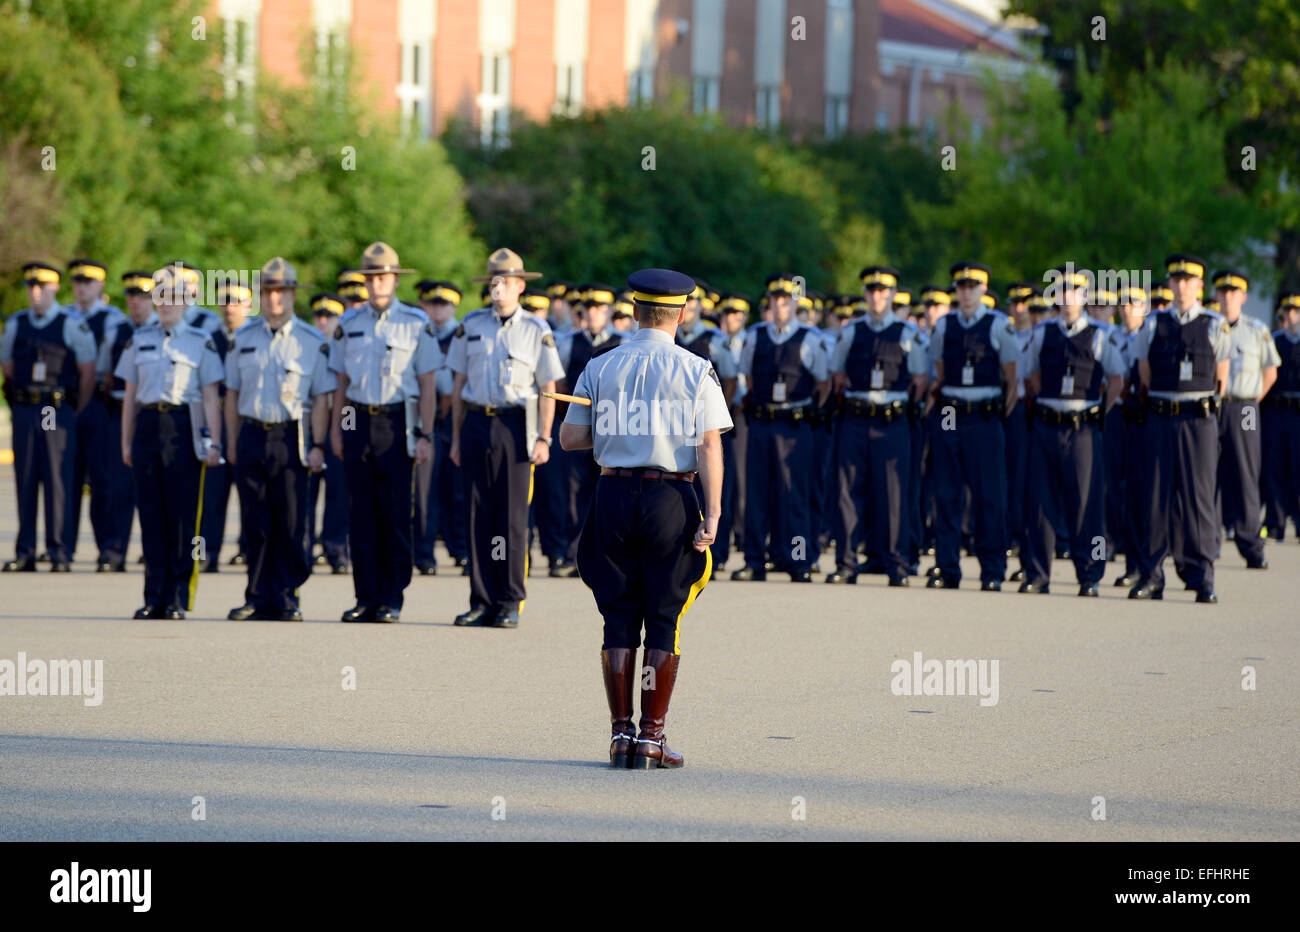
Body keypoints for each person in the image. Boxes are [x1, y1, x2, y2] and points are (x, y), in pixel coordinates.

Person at [560, 268, 731, 770]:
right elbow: (709, 443)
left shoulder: (601, 365)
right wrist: (715, 513)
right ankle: (652, 738)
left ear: (634, 311)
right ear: (680, 314)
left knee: (617, 613)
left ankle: (620, 735)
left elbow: (570, 439)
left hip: (611, 493)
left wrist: (618, 431)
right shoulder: (696, 369)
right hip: (669, 498)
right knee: (663, 616)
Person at [448, 248, 564, 628]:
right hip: (477, 423)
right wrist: (454, 438)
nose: (498, 289)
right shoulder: (471, 324)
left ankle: (510, 600)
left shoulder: (536, 329)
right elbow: (458, 385)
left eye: (506, 283)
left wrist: (544, 437)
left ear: (518, 286)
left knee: (512, 518)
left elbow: (547, 387)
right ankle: (481, 599)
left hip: (516, 427)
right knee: (477, 514)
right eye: (493, 282)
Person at [328, 243, 440, 623]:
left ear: (394, 279)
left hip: (397, 423)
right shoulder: (349, 324)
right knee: (360, 514)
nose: (378, 283)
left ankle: (392, 596)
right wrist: (340, 432)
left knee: (394, 513)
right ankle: (365, 596)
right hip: (358, 421)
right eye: (371, 277)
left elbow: (427, 385)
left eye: (384, 277)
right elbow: (341, 385)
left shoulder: (415, 322)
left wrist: (425, 434)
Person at [223, 260, 334, 621]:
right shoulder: (243, 339)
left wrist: (318, 444)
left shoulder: (310, 341)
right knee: (255, 520)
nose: (274, 298)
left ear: (291, 295)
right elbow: (231, 395)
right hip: (253, 432)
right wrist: (232, 440)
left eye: (281, 291)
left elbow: (320, 398)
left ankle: (286, 596)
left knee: (290, 521)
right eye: (268, 291)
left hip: (291, 437)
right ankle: (256, 595)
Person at [114, 266, 224, 617]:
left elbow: (210, 397)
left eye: (174, 298)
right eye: (159, 297)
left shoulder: (200, 341)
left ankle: (178, 594)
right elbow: (129, 396)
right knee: (151, 514)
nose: (166, 304)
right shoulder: (140, 339)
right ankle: (153, 595)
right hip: (148, 425)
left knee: (183, 517)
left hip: (183, 426)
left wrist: (215, 443)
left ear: (187, 301)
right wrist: (126, 442)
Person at [1127, 255, 1231, 603]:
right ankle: (1152, 575)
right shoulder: (1153, 324)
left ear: (1200, 286)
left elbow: (1222, 379)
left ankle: (1203, 576)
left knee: (1199, 498)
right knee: (1155, 497)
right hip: (1161, 416)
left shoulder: (1215, 324)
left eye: (1189, 281)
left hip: (1198, 420)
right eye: (1176, 280)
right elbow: (1143, 371)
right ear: (1170, 284)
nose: (1182, 286)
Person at [1018, 268, 1125, 595]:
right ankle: (1037, 574)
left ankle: (1090, 574)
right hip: (1047, 426)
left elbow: (1117, 379)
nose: (1067, 299)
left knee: (1087, 506)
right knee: (1040, 503)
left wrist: (1095, 413)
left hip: (1082, 431)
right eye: (1062, 292)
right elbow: (1030, 375)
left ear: (1083, 297)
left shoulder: (1099, 333)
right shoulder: (1043, 332)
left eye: (1074, 293)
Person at [827, 266, 928, 586]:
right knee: (847, 493)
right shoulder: (852, 330)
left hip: (891, 421)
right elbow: (838, 374)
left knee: (893, 494)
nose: (876, 297)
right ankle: (846, 564)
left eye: (883, 291)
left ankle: (897, 564)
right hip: (856, 418)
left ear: (893, 294)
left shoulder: (906, 332)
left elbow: (921, 379)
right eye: (871, 291)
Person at [924, 262, 1018, 590]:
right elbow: (939, 369)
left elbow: (1012, 377)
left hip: (983, 414)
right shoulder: (944, 326)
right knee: (947, 493)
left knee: (988, 495)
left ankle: (992, 570)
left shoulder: (998, 325)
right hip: (950, 412)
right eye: (961, 286)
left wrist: (996, 416)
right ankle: (947, 568)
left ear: (983, 288)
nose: (966, 292)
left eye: (973, 286)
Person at [732, 275, 830, 582]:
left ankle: (798, 561)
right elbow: (746, 376)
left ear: (795, 303)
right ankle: (754, 560)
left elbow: (824, 383)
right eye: (774, 299)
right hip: (762, 423)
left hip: (794, 425)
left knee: (794, 497)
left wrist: (807, 410)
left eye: (786, 299)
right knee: (756, 495)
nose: (779, 305)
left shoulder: (810, 338)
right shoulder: (756, 335)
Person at [1, 263, 97, 572]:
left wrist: (74, 409)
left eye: (42, 286)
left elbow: (87, 372)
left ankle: (58, 550)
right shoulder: (17, 323)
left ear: (55, 288)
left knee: (57, 477)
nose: (36, 292)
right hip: (27, 407)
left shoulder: (70, 324)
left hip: (53, 410)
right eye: (31, 287)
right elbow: (8, 366)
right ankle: (26, 549)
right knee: (26, 476)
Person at [552, 284, 623, 577]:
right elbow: (558, 384)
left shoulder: (625, 342)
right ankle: (573, 554)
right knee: (573, 492)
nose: (592, 314)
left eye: (598, 308)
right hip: (581, 428)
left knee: (610, 492)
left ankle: (609, 554)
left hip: (613, 430)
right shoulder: (569, 342)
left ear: (608, 312)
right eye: (587, 309)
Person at [1212, 270, 1279, 569]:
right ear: (1216, 296)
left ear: (1243, 296)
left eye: (1233, 292)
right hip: (1213, 407)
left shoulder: (1256, 329)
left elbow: (1270, 371)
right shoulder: (1209, 327)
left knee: (1245, 472)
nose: (1227, 297)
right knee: (1207, 474)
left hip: (1246, 407)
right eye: (1222, 292)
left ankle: (1251, 543)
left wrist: (1252, 400)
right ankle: (1209, 541)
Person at [63, 259, 126, 567]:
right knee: (64, 478)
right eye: (77, 281)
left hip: (100, 406)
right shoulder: (62, 315)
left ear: (100, 284)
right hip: (62, 407)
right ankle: (61, 549)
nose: (81, 287)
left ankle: (109, 551)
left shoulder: (114, 319)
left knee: (104, 480)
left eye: (88, 281)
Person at [95, 271, 159, 571]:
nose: (136, 302)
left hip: (153, 414)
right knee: (117, 485)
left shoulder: (163, 331)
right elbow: (106, 376)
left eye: (143, 296)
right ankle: (114, 550)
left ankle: (153, 551)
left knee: (154, 489)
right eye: (131, 296)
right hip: (121, 411)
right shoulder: (116, 331)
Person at [676, 282, 738, 573]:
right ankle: (684, 550)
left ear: (701, 306)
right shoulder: (670, 336)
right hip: (676, 426)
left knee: (712, 488)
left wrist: (713, 417)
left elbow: (729, 380)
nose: (687, 308)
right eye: (683, 303)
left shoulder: (714, 338)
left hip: (705, 425)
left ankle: (719, 552)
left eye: (692, 303)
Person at [198, 280, 252, 572]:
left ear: (248, 304)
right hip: (215, 422)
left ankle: (249, 550)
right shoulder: (209, 339)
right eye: (224, 301)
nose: (229, 307)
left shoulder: (254, 337)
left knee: (251, 495)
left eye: (236, 301)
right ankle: (207, 553)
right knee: (211, 497)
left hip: (249, 422)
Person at [305, 292, 351, 573]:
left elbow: (346, 395)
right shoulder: (305, 346)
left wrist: (345, 432)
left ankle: (336, 550)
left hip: (339, 427)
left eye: (330, 316)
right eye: (319, 316)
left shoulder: (345, 348)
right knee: (306, 495)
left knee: (339, 495)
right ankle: (305, 547)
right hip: (308, 428)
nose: (323, 322)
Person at [1110, 285, 1149, 588]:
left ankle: (1140, 564)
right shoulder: (1109, 335)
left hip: (1141, 417)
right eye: (1123, 303)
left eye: (1134, 303)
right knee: (1112, 488)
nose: (1127, 308)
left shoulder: (1149, 336)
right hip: (1114, 415)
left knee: (1138, 492)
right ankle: (1114, 549)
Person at [1263, 291, 1300, 541]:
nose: (1291, 316)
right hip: (1276, 411)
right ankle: (1275, 523)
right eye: (1287, 311)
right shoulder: (1274, 340)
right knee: (1274, 466)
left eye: (1295, 311)